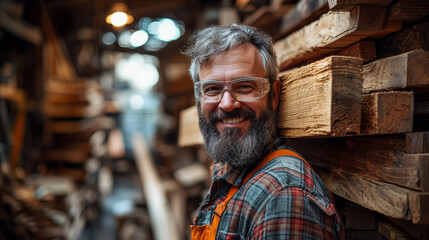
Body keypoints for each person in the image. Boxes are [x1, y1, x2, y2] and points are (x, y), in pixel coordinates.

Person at [183, 24, 344, 240]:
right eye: (212, 89)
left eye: (244, 87)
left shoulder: (285, 196)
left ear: (274, 95)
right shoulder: (230, 169)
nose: (227, 104)